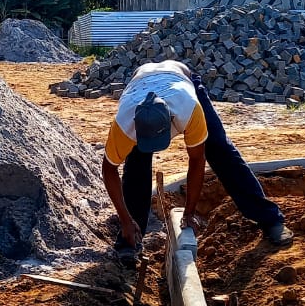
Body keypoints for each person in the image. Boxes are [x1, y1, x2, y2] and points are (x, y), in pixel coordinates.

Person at [101, 60, 293, 262]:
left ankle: (270, 219)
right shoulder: (124, 125)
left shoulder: (190, 110)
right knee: (136, 164)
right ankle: (129, 240)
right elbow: (109, 169)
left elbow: (196, 160)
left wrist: (189, 213)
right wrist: (125, 220)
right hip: (139, 85)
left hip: (182, 80)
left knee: (219, 149)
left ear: (172, 122)